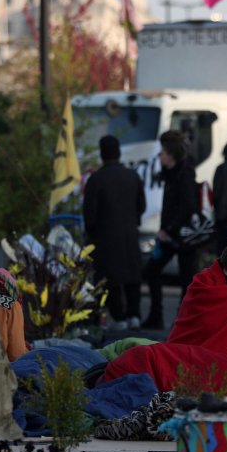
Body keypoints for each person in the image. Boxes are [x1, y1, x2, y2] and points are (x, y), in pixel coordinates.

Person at [84, 135, 146, 331]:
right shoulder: (132, 176)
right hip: (129, 233)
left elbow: (89, 215)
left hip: (105, 238)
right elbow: (141, 206)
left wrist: (91, 234)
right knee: (132, 276)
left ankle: (118, 316)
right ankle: (135, 315)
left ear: (102, 154)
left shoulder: (95, 180)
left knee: (110, 278)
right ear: (119, 152)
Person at [142, 130, 200, 330]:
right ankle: (157, 316)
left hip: (183, 236)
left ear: (172, 154)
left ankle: (183, 322)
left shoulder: (184, 174)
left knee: (187, 280)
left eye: (163, 152)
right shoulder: (171, 173)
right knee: (153, 270)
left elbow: (187, 206)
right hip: (170, 234)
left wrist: (168, 228)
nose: (160, 156)